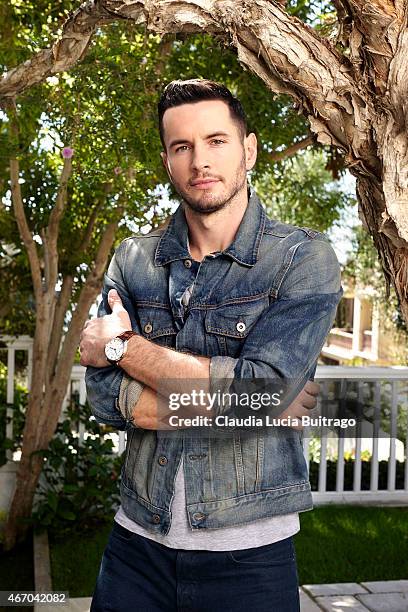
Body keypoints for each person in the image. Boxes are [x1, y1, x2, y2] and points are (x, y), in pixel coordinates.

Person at [80, 79, 342, 611]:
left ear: (248, 149)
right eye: (182, 147)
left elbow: (260, 391)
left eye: (216, 140)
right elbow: (101, 397)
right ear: (168, 161)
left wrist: (123, 349)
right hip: (135, 548)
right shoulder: (134, 260)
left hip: (250, 558)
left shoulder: (301, 259)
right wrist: (246, 403)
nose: (200, 160)